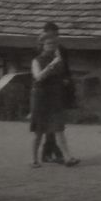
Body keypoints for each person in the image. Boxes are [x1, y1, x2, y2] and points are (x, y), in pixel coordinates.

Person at [29, 26, 79, 168]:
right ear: (42, 45)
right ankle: (34, 159)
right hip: (41, 97)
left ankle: (68, 157)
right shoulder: (37, 60)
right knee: (39, 131)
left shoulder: (59, 60)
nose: (51, 46)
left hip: (54, 96)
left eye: (54, 44)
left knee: (59, 128)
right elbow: (38, 77)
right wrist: (51, 65)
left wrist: (64, 80)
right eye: (48, 44)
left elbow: (61, 75)